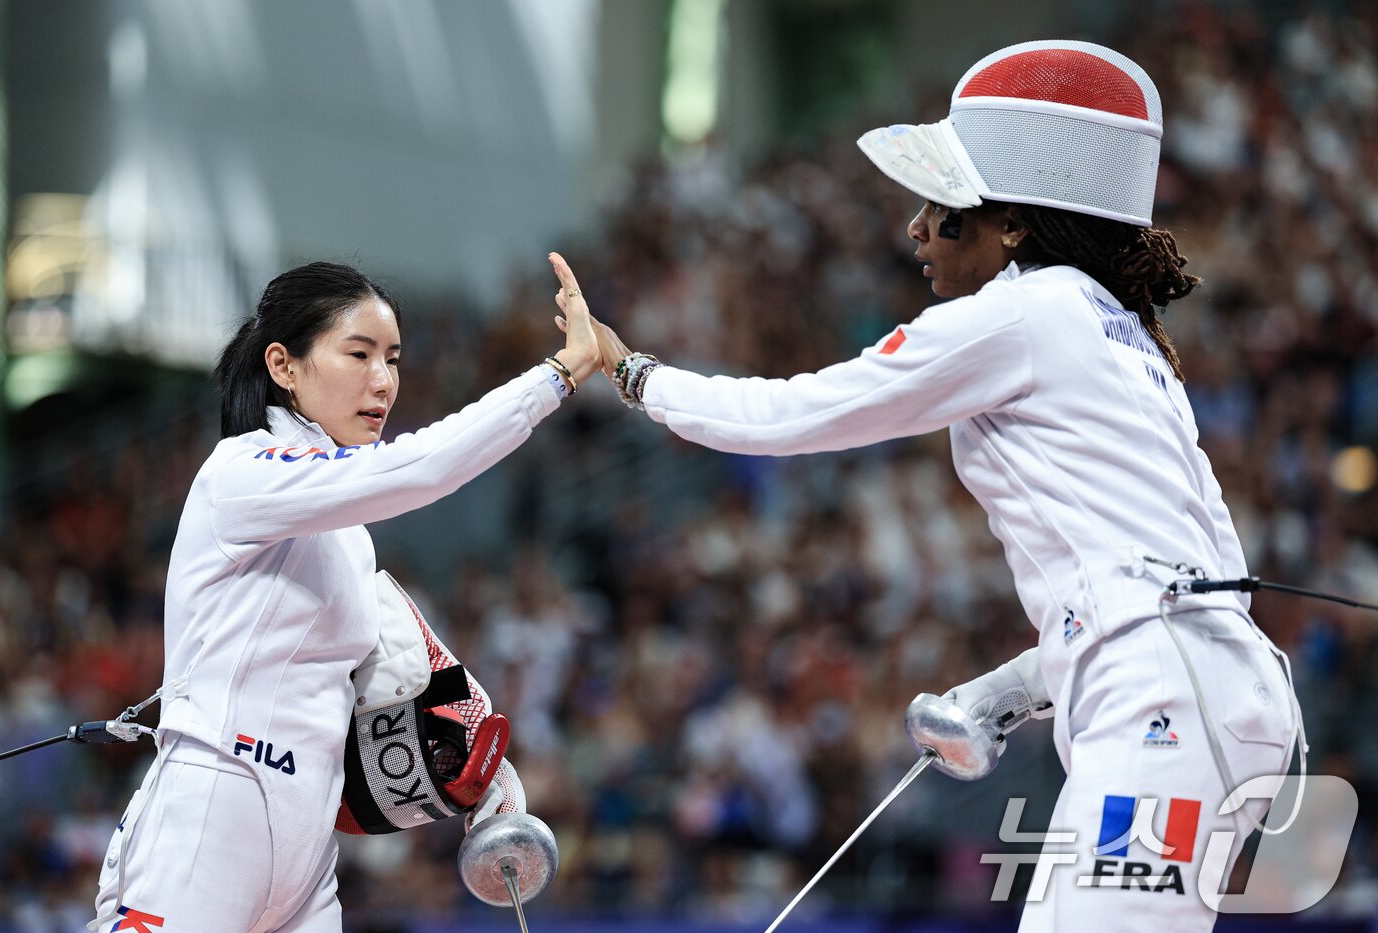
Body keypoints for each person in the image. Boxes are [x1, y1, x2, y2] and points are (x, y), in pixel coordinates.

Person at [553, 40, 1300, 931]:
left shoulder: (1024, 311)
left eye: (940, 206)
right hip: (1215, 699)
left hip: (1163, 708)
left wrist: (631, 369)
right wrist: (1002, 693)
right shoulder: (1125, 341)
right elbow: (1186, 589)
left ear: (1011, 222)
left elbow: (797, 415)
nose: (915, 228)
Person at [90, 256, 600, 932]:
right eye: (357, 354)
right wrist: (556, 376)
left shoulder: (346, 536)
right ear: (284, 365)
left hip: (305, 852)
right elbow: (422, 469)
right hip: (211, 814)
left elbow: (394, 669)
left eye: (392, 358)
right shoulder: (241, 475)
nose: (382, 380)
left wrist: (478, 754)